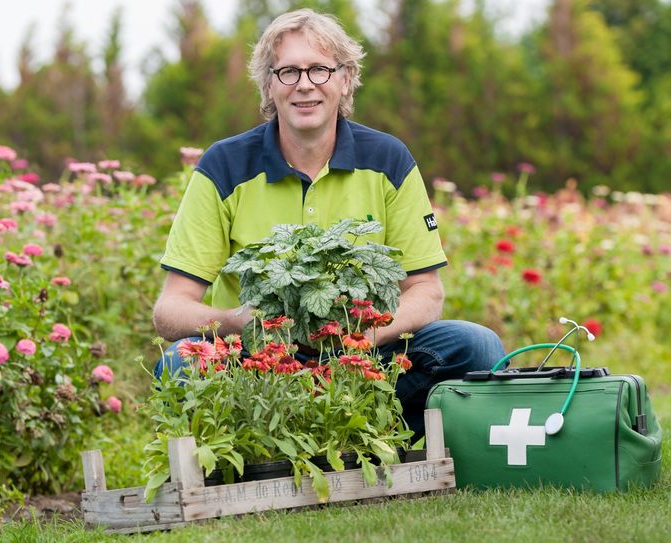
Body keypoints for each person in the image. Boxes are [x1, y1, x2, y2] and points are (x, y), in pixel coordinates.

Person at [152, 8, 505, 435]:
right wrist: (241, 321)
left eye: (320, 69)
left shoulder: (388, 159)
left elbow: (426, 291)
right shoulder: (225, 165)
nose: (305, 85)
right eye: (287, 72)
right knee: (179, 363)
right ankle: (264, 444)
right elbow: (170, 310)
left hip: (365, 355)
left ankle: (376, 435)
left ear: (345, 79)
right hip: (259, 360)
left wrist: (363, 340)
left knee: (477, 346)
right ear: (268, 84)